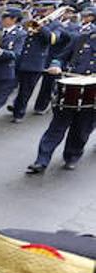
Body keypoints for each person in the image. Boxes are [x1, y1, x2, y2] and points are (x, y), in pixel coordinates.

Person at [26, 10, 94, 173]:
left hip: (92, 95)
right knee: (56, 128)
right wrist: (56, 65)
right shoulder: (82, 38)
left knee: (81, 130)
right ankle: (41, 160)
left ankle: (72, 156)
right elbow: (61, 56)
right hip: (69, 90)